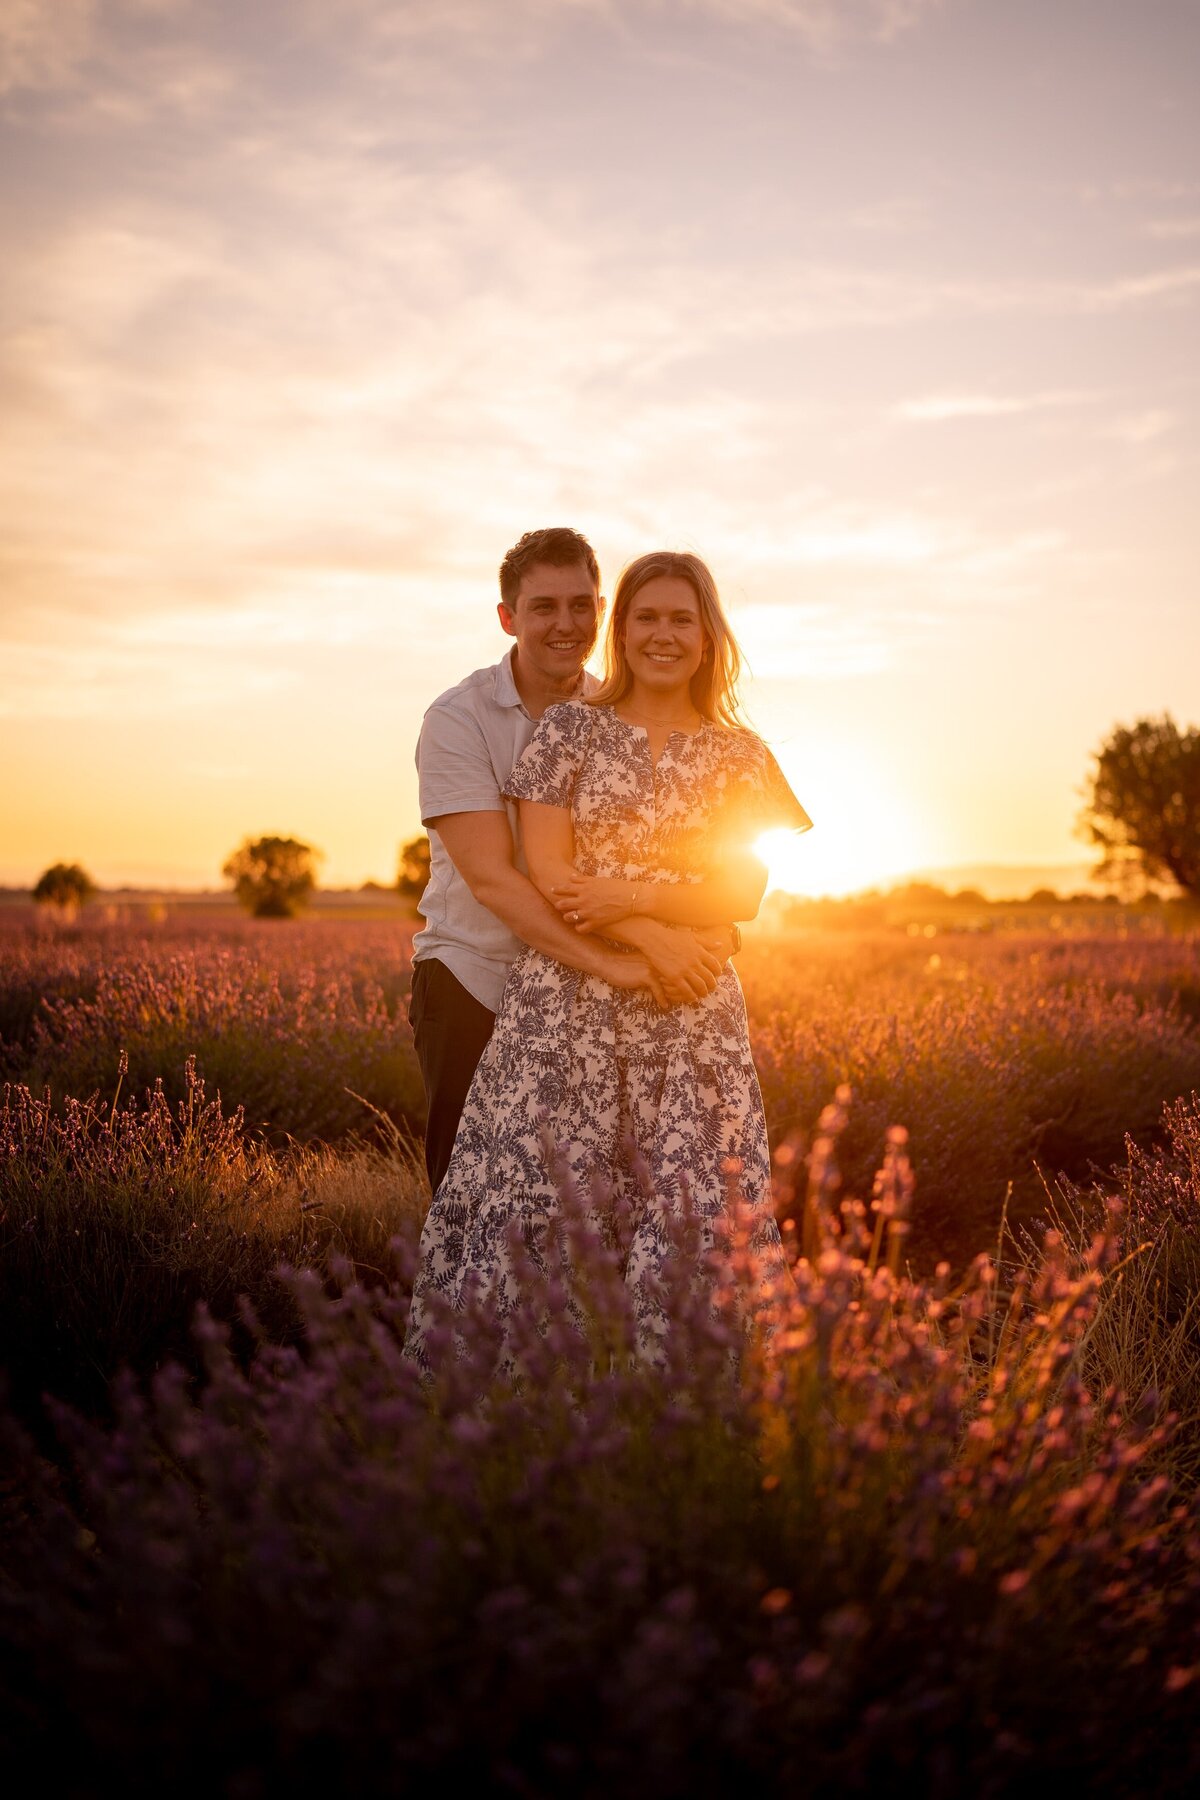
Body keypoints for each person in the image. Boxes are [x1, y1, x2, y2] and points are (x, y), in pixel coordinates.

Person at [405, 549, 812, 1377]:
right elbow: (543, 875)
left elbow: (745, 887)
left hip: (695, 1003)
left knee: (692, 1198)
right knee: (538, 1194)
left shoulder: (742, 753)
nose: (662, 634)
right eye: (646, 617)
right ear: (621, 632)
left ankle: (682, 1400)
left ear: (709, 638)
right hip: (558, 1001)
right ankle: (515, 1406)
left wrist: (631, 901)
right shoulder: (562, 729)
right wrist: (647, 936)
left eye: (681, 619)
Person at [410, 527, 733, 1195]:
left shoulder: (621, 711)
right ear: (508, 617)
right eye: (544, 607)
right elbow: (499, 880)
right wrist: (629, 958)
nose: (566, 624)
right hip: (477, 979)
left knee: (578, 1204)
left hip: (588, 1000)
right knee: (472, 1195)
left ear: (601, 611)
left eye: (581, 605)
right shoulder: (459, 718)